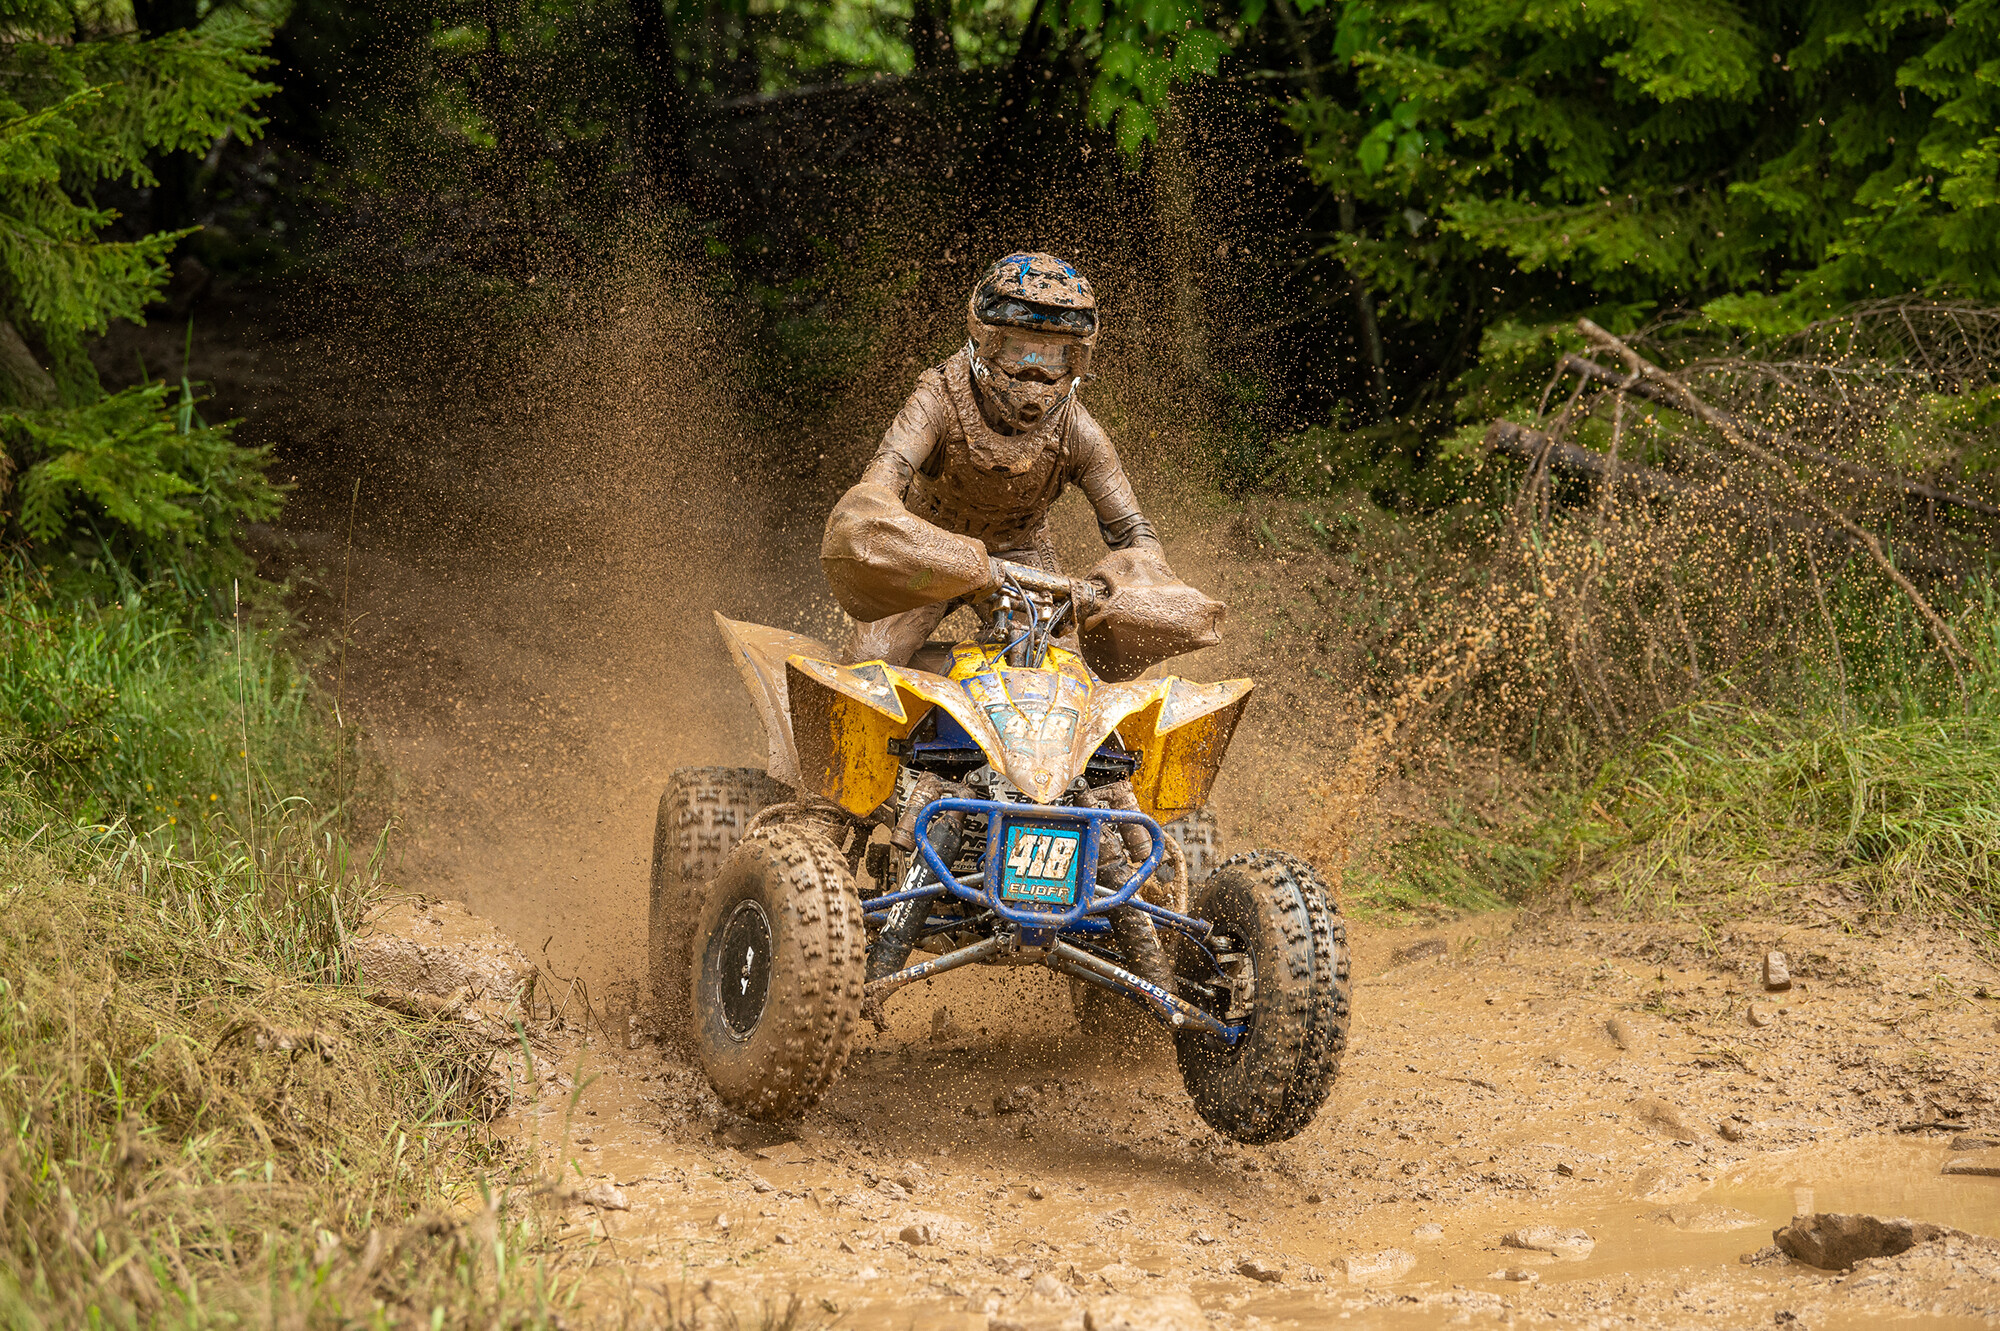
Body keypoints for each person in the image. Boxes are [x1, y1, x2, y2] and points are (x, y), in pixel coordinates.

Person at [821, 251, 1220, 676]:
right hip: (930, 558)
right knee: (868, 667)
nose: (1036, 371)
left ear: (1078, 360)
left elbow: (1135, 534)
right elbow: (876, 492)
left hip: (1024, 564)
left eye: (1054, 356)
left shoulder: (1077, 430)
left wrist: (1131, 592)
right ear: (985, 341)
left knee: (1068, 678)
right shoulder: (936, 401)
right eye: (1021, 350)